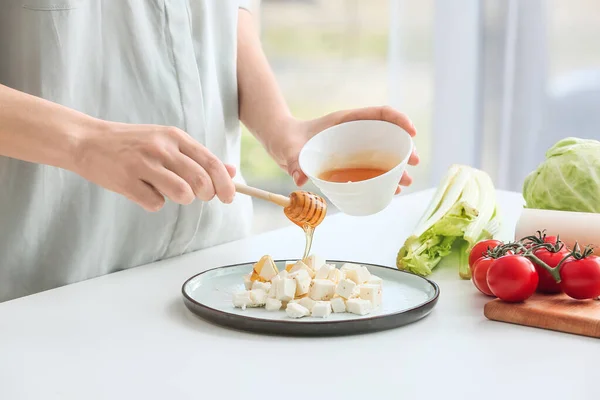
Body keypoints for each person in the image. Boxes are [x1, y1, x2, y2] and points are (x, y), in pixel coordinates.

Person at [0, 1, 418, 302]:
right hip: (50, 287)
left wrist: (282, 129)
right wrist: (85, 140)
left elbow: (224, 15)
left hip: (220, 269)